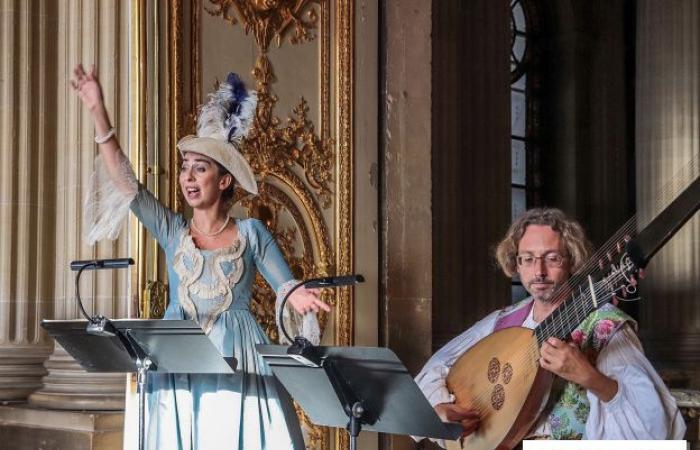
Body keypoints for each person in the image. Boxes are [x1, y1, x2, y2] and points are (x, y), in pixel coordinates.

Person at [71, 63, 330, 450]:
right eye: (184, 168)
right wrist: (97, 110)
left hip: (236, 360)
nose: (188, 177)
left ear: (223, 180)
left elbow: (286, 286)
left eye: (200, 169)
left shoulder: (250, 233)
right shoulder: (173, 230)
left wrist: (298, 296)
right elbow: (126, 184)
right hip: (176, 356)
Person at [415, 208, 686, 445]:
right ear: (516, 264)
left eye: (552, 258)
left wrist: (588, 376)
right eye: (528, 259)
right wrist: (438, 409)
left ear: (572, 260)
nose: (539, 271)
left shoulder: (605, 326)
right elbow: (436, 367)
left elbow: (656, 431)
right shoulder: (503, 322)